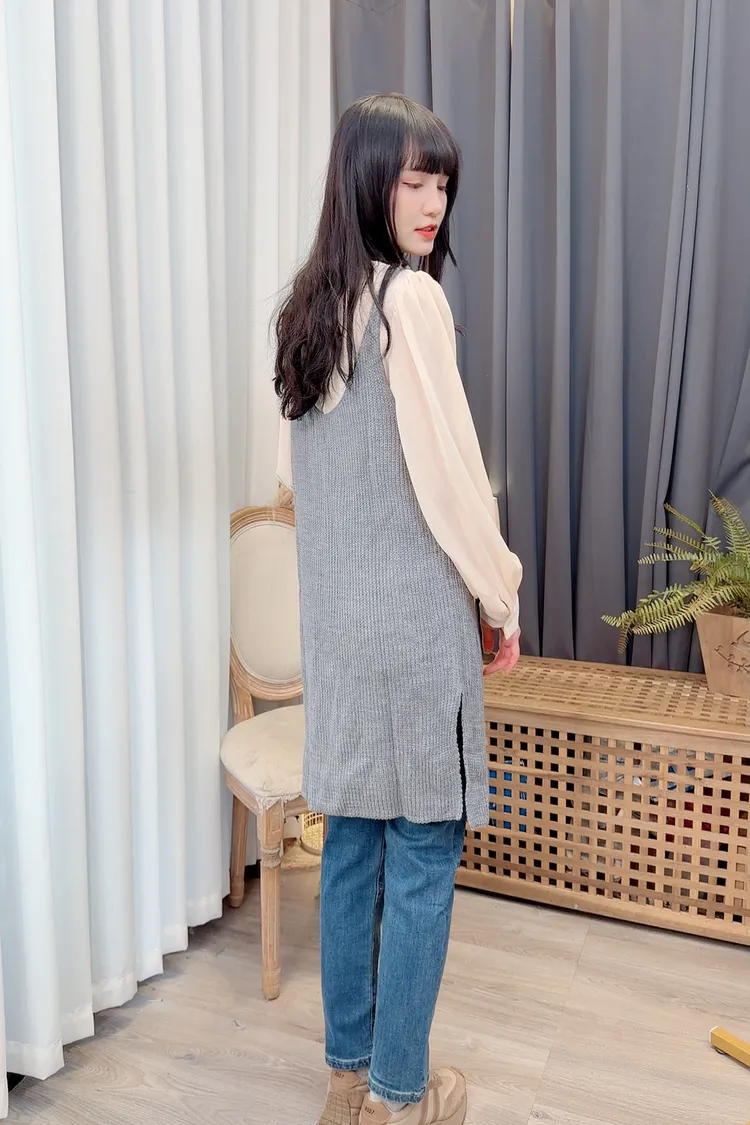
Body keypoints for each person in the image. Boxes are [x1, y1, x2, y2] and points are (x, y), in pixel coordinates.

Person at [274, 93, 522, 1125]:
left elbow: (305, 484)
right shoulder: (410, 301)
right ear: (366, 180)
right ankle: (398, 1097)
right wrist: (500, 593)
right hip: (415, 632)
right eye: (413, 180)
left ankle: (347, 1078)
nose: (432, 203)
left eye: (442, 183)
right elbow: (451, 478)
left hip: (338, 634)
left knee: (350, 851)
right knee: (421, 854)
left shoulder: (306, 311)